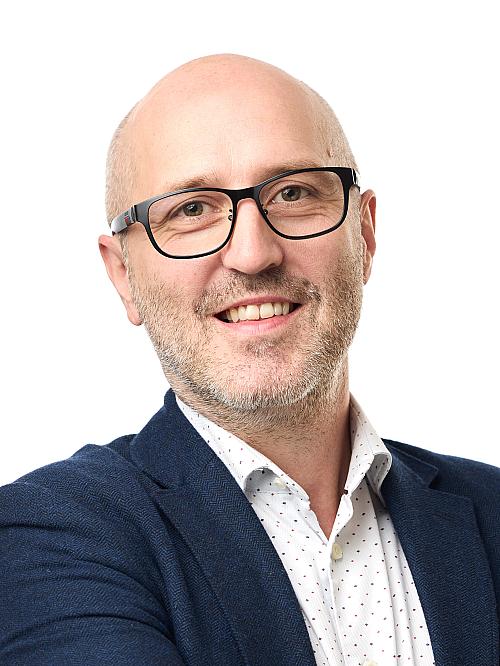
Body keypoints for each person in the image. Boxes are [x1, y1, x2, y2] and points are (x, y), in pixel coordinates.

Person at [0, 54, 498, 666]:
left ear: (365, 235)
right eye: (191, 209)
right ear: (123, 275)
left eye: (293, 193)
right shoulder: (52, 537)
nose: (253, 253)